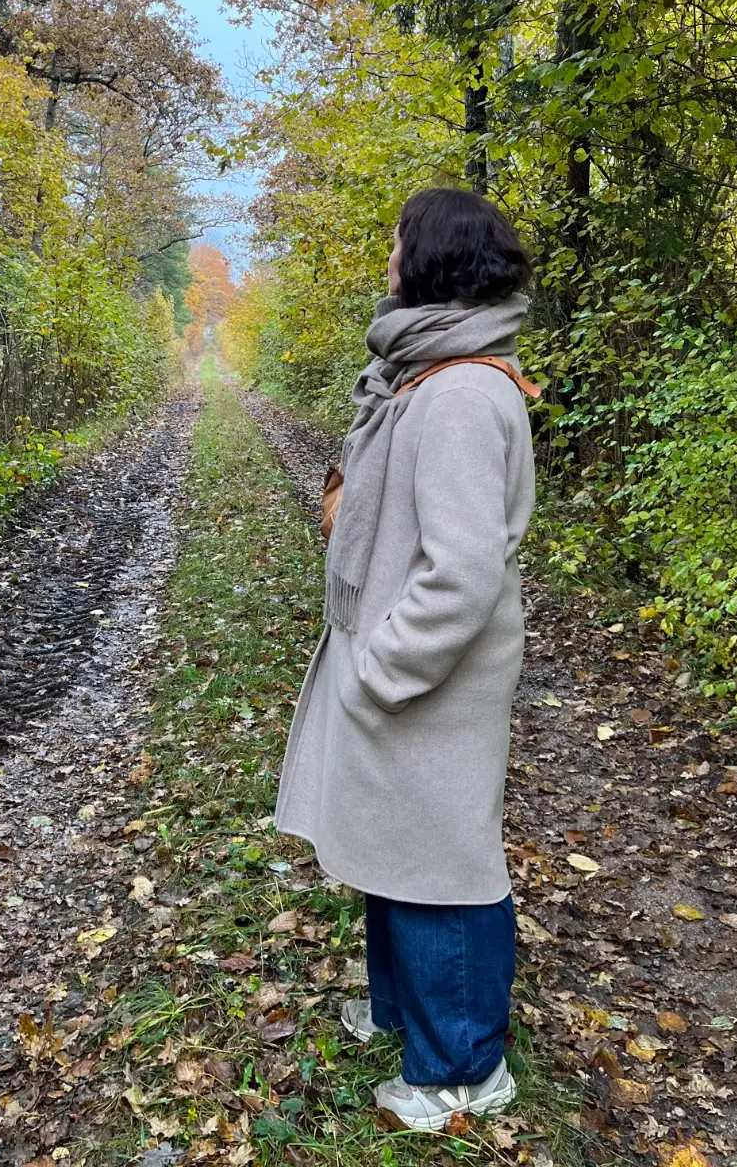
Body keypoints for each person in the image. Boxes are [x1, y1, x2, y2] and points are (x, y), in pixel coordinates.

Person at [274, 186, 537, 1131]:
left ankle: (463, 1071)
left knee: (446, 863)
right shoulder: (427, 371)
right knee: (395, 845)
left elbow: (465, 570)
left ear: (431, 257)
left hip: (432, 675)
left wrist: (386, 664)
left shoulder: (463, 391)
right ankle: (402, 1014)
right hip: (403, 667)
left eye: (396, 241)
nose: (385, 256)